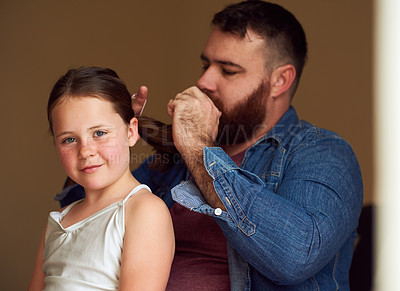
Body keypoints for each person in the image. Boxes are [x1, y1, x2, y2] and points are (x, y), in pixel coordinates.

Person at [57, 1, 363, 290]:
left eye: (228, 70)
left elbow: (295, 256)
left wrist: (197, 146)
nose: (204, 81)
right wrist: (105, 139)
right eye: (206, 65)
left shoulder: (322, 152)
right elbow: (80, 221)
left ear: (280, 80)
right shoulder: (177, 158)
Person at [28, 67, 175, 291]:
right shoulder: (58, 221)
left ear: (130, 132)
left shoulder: (144, 211)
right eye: (69, 139)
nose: (85, 151)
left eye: (99, 133)